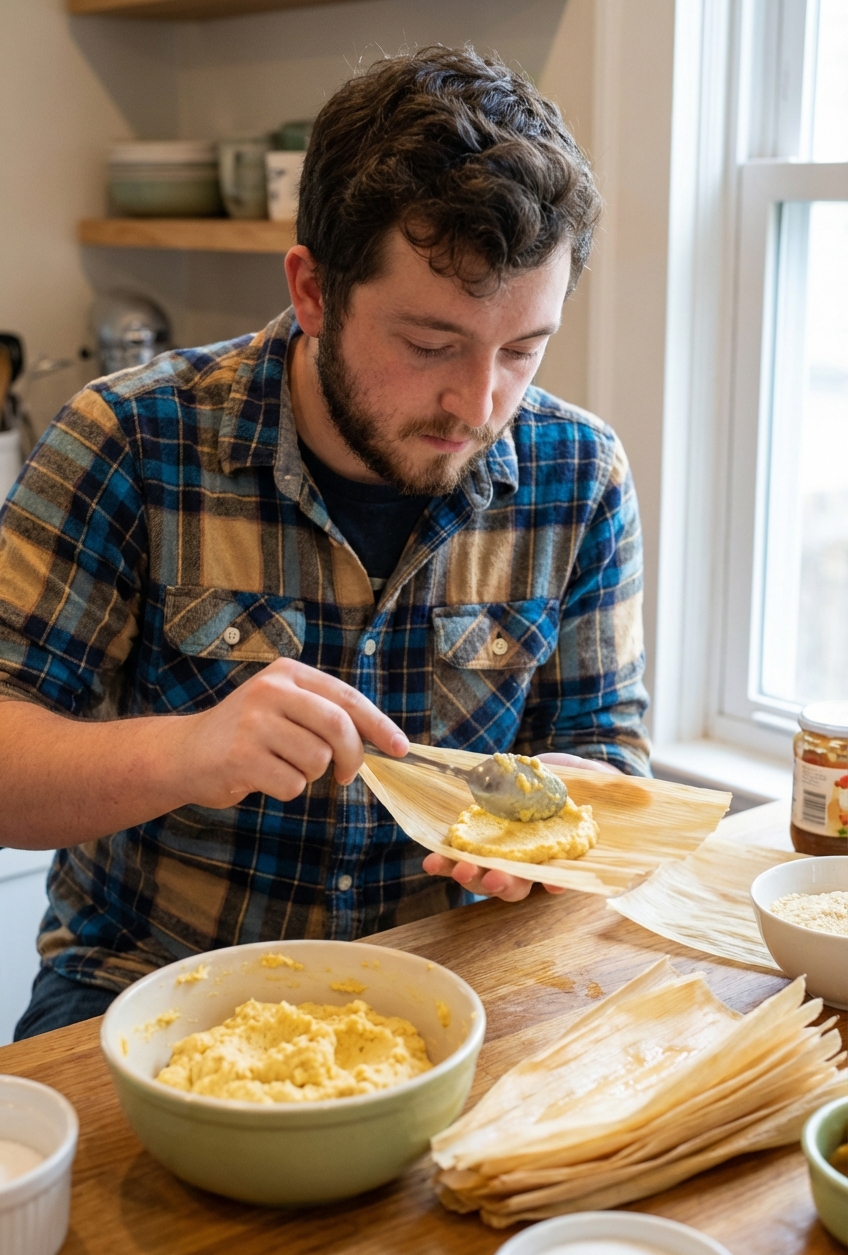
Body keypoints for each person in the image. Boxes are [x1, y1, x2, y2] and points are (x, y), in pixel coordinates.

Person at [0, 46, 649, 1040]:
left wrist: (550, 830)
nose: (477, 405)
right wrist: (185, 753)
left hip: (448, 995)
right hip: (147, 991)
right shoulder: (129, 439)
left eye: (522, 350)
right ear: (311, 292)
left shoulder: (577, 475)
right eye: (429, 344)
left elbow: (608, 763)